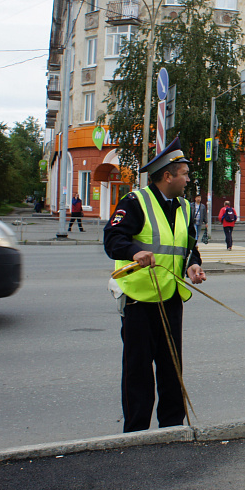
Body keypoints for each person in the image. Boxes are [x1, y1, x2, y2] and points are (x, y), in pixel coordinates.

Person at [103, 137, 207, 432]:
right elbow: (112, 239)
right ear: (167, 176)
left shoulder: (185, 207)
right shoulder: (135, 202)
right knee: (138, 372)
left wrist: (193, 265)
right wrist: (134, 251)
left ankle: (172, 428)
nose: (188, 179)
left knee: (172, 368)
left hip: (171, 297)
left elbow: (189, 247)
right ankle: (136, 434)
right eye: (184, 174)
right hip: (139, 300)